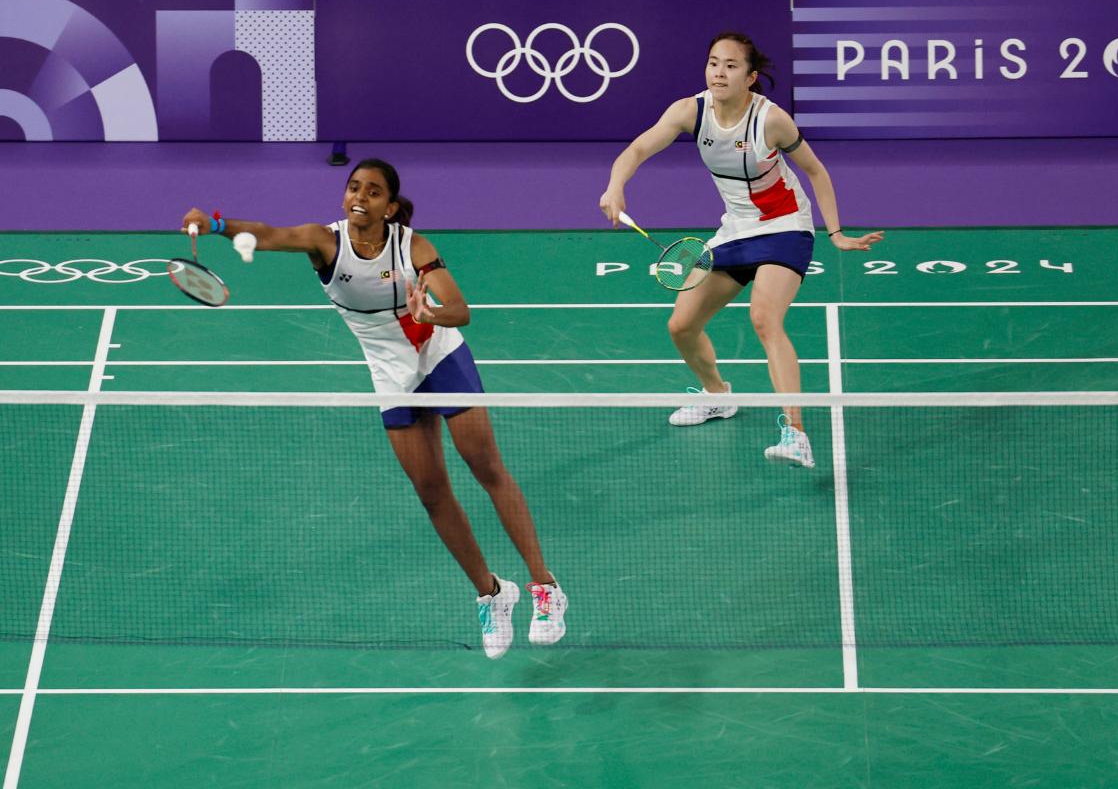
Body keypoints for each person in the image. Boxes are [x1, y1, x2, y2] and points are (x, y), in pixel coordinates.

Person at [180, 158, 566, 659]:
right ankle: (492, 593)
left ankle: (545, 586)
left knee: (485, 467)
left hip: (439, 355)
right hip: (390, 373)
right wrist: (212, 224)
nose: (360, 196)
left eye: (373, 191)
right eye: (354, 187)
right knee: (430, 490)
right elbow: (269, 233)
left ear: (389, 205)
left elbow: (461, 311)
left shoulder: (414, 246)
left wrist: (432, 311)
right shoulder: (325, 242)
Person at [599, 32, 884, 468]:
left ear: (750, 77)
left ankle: (796, 433)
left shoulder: (772, 120)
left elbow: (816, 171)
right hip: (734, 231)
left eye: (731, 65)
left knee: (764, 318)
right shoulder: (690, 111)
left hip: (785, 226)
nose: (719, 71)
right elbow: (638, 148)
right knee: (681, 325)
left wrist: (836, 233)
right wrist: (616, 186)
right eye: (714, 62)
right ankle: (718, 396)